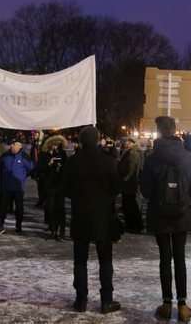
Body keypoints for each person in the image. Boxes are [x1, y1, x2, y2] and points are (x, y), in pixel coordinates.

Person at [141, 116, 191, 323]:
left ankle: (166, 303)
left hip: (160, 214)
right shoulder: (188, 157)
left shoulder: (152, 158)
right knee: (180, 257)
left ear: (158, 131)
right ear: (175, 130)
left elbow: (145, 190)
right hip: (182, 214)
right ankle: (183, 305)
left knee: (165, 258)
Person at [63, 126, 121, 314]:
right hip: (103, 217)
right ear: (97, 140)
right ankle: (106, 300)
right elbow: (116, 188)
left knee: (80, 260)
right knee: (105, 260)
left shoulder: (73, 162)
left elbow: (67, 189)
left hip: (80, 215)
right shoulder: (109, 161)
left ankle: (81, 299)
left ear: (80, 141)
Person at [0, 141, 34, 234]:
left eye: (14, 146)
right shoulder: (5, 156)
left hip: (18, 188)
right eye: (11, 145)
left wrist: (23, 177)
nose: (11, 147)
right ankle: (0, 226)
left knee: (19, 208)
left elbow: (31, 168)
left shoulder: (24, 156)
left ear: (19, 148)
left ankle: (18, 226)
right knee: (3, 208)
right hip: (6, 186)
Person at [39, 136, 68, 240]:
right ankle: (53, 229)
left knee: (60, 209)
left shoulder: (62, 154)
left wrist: (61, 167)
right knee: (50, 208)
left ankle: (61, 231)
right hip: (49, 185)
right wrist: (49, 164)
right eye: (54, 144)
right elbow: (40, 168)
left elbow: (67, 168)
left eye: (57, 144)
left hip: (60, 185)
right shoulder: (44, 154)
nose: (55, 146)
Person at [118, 138, 143, 234]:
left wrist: (126, 178)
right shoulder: (130, 152)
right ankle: (132, 224)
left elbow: (132, 169)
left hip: (129, 183)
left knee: (130, 204)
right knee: (128, 203)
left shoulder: (133, 153)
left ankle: (134, 225)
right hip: (129, 182)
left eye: (128, 142)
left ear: (133, 143)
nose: (126, 143)